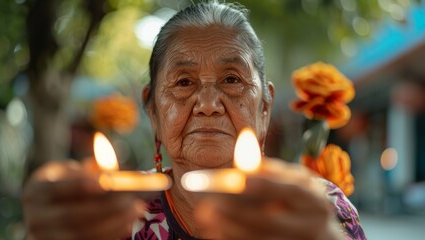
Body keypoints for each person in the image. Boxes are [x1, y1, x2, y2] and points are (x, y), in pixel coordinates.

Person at [22, 1, 367, 239]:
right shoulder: (107, 214)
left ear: (265, 106)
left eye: (232, 79)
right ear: (152, 109)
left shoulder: (318, 212)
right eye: (184, 82)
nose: (207, 104)